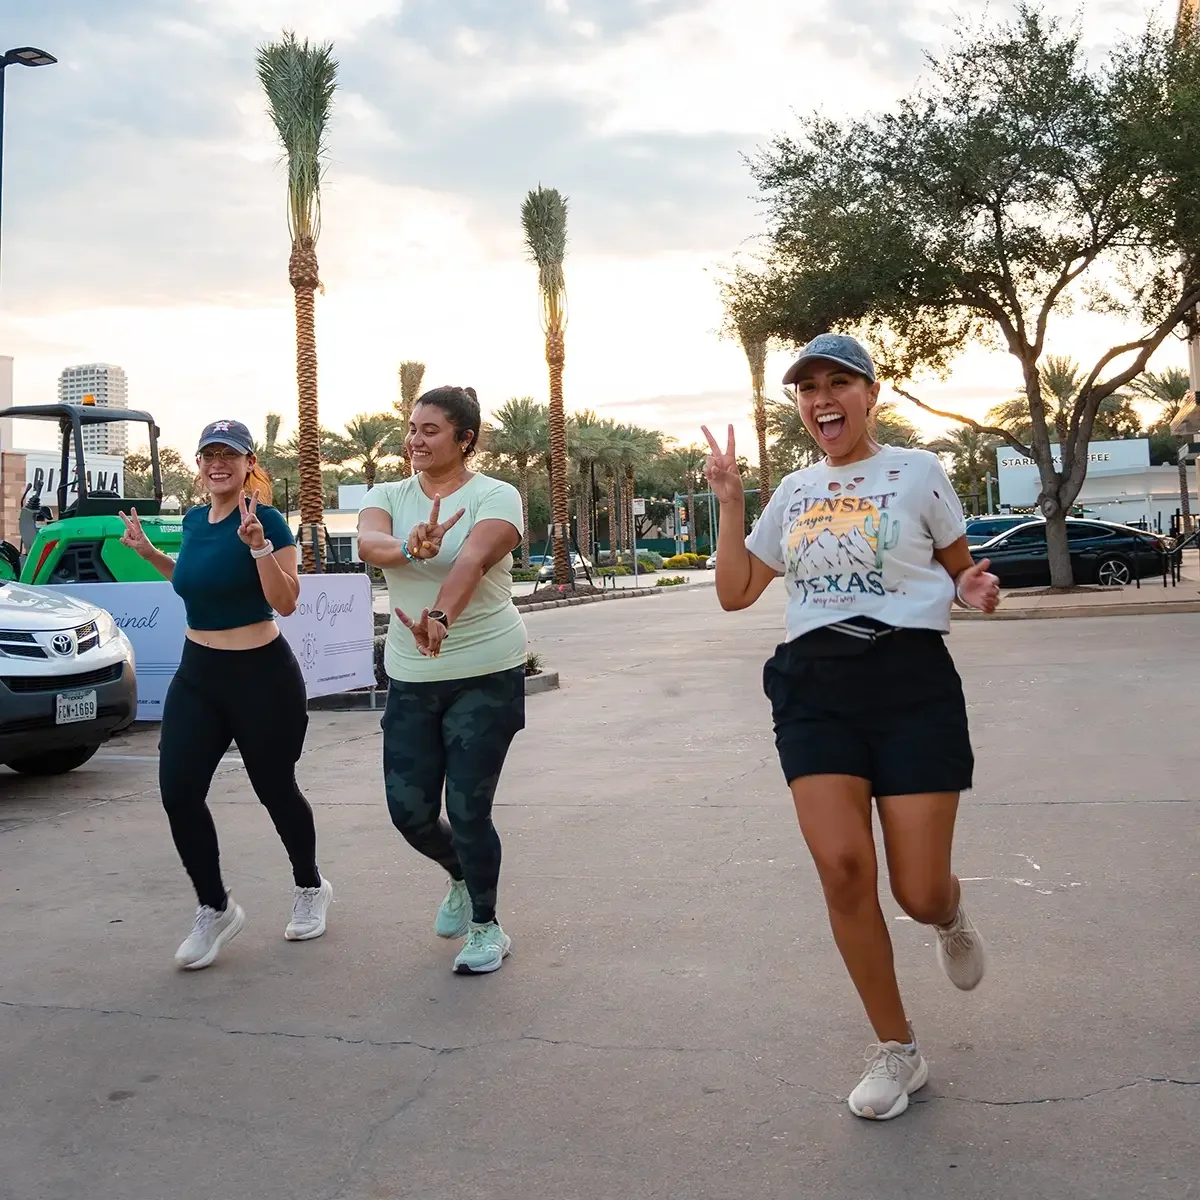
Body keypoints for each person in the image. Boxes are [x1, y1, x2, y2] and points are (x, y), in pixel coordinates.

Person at [703, 333, 1000, 1121]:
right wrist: (731, 501)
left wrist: (970, 588)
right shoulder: (793, 492)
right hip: (815, 686)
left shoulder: (918, 471)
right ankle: (897, 1049)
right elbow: (736, 592)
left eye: (838, 383)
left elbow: (957, 569)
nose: (821, 399)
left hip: (911, 683)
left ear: (871, 394)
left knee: (918, 887)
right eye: (807, 388)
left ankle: (950, 912)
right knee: (841, 867)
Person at [119, 419, 331, 970]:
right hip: (198, 674)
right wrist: (148, 553)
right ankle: (215, 908)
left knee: (275, 788)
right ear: (199, 464)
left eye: (229, 455)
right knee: (178, 790)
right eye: (209, 454)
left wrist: (260, 548)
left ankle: (310, 887)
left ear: (248, 464)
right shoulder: (193, 521)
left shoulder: (270, 522)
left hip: (262, 676)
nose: (218, 463)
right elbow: (194, 581)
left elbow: (285, 602)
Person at [357, 385, 526, 975]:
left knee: (468, 809)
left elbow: (472, 559)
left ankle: (487, 926)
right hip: (410, 676)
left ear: (465, 439)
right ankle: (458, 872)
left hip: (485, 672)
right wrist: (407, 543)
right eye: (412, 428)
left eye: (431, 430)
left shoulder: (496, 496)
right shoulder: (389, 494)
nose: (415, 439)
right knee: (411, 812)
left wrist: (439, 617)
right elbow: (369, 542)